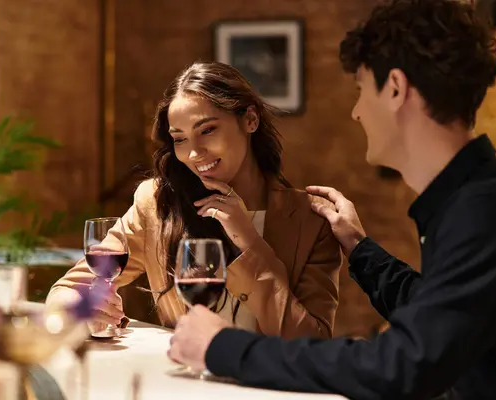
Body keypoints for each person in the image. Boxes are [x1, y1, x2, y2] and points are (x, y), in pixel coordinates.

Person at [167, 1, 496, 398]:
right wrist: (360, 250)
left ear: (394, 87)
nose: (356, 112)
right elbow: (438, 313)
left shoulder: (486, 210)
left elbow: (401, 365)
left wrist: (224, 348)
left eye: (360, 89)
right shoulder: (473, 199)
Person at [46, 61, 343, 339]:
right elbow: (67, 290)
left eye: (208, 130)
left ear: (250, 119)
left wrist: (249, 242)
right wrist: (84, 310)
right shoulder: (158, 204)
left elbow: (313, 343)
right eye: (179, 138)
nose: (193, 153)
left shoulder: (311, 220)